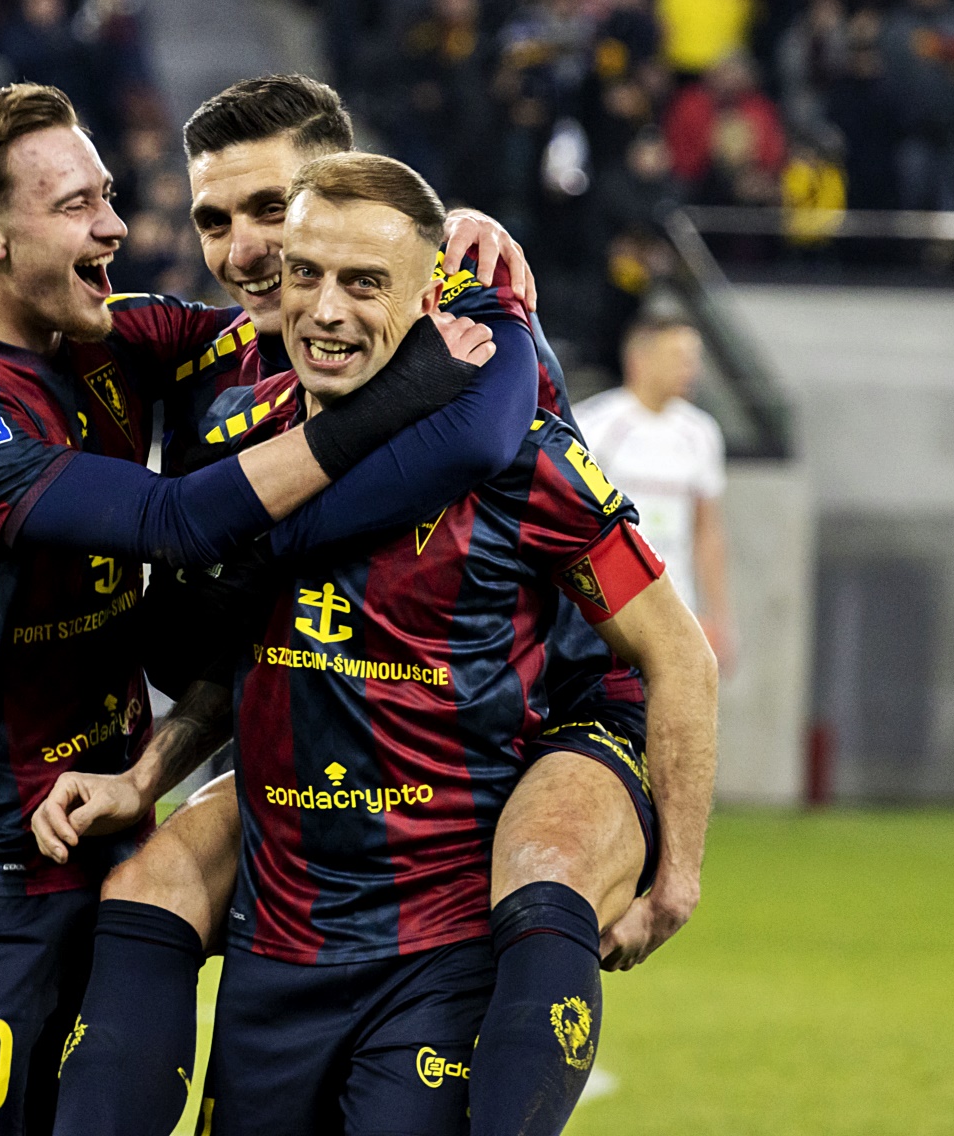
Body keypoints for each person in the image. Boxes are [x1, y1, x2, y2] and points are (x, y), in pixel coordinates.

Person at [0, 82, 528, 1136]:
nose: (115, 226)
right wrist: (405, 393)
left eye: (108, 196)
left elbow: (410, 364)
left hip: (112, 817)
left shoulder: (119, 341)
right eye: (76, 205)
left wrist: (451, 253)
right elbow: (173, 520)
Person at [39, 155, 717, 1136]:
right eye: (307, 274)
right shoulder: (241, 447)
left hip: (437, 941)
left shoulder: (521, 462)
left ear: (428, 296)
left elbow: (677, 654)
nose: (327, 311)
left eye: (365, 283)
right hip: (282, 935)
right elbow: (238, 661)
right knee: (142, 889)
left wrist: (677, 876)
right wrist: (145, 777)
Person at [575, 313, 734, 667]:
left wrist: (720, 618)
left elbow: (707, 531)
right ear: (640, 360)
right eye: (679, 357)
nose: (691, 369)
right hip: (609, 611)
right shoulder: (593, 426)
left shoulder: (701, 432)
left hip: (678, 607)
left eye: (694, 359)